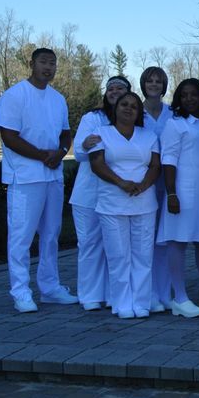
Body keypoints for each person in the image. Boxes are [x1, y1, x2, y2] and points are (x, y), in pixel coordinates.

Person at [0, 48, 77, 313]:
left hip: (52, 176)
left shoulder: (58, 99)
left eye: (53, 63)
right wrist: (42, 155)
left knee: (51, 234)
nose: (49, 67)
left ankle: (50, 288)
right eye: (43, 62)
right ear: (31, 63)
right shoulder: (14, 96)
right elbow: (9, 136)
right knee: (21, 237)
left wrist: (62, 153)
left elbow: (66, 134)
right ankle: (20, 291)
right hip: (25, 177)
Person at [89, 91, 161, 319]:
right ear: (115, 108)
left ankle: (141, 302)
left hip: (144, 202)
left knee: (143, 255)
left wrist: (142, 186)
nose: (128, 109)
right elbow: (97, 164)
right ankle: (122, 303)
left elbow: (155, 166)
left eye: (133, 106)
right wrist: (121, 183)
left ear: (139, 112)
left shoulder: (148, 136)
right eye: (124, 104)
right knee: (119, 256)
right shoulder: (101, 134)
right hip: (112, 204)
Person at [157, 78, 199, 318]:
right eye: (184, 95)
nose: (189, 99)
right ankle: (180, 297)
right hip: (183, 192)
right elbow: (168, 159)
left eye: (194, 94)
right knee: (178, 241)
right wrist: (172, 193)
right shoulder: (176, 125)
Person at [70, 76, 129, 311]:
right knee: (89, 243)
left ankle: (115, 294)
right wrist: (86, 145)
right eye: (110, 88)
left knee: (116, 246)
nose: (114, 91)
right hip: (89, 193)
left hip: (118, 192)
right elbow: (79, 153)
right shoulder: (92, 117)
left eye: (120, 88)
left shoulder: (132, 118)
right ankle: (90, 295)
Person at [139, 66, 174, 313]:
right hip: (142, 182)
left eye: (158, 81)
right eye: (149, 81)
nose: (154, 85)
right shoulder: (134, 111)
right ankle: (147, 294)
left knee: (165, 240)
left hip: (168, 183)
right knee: (145, 241)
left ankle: (165, 292)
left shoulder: (172, 113)